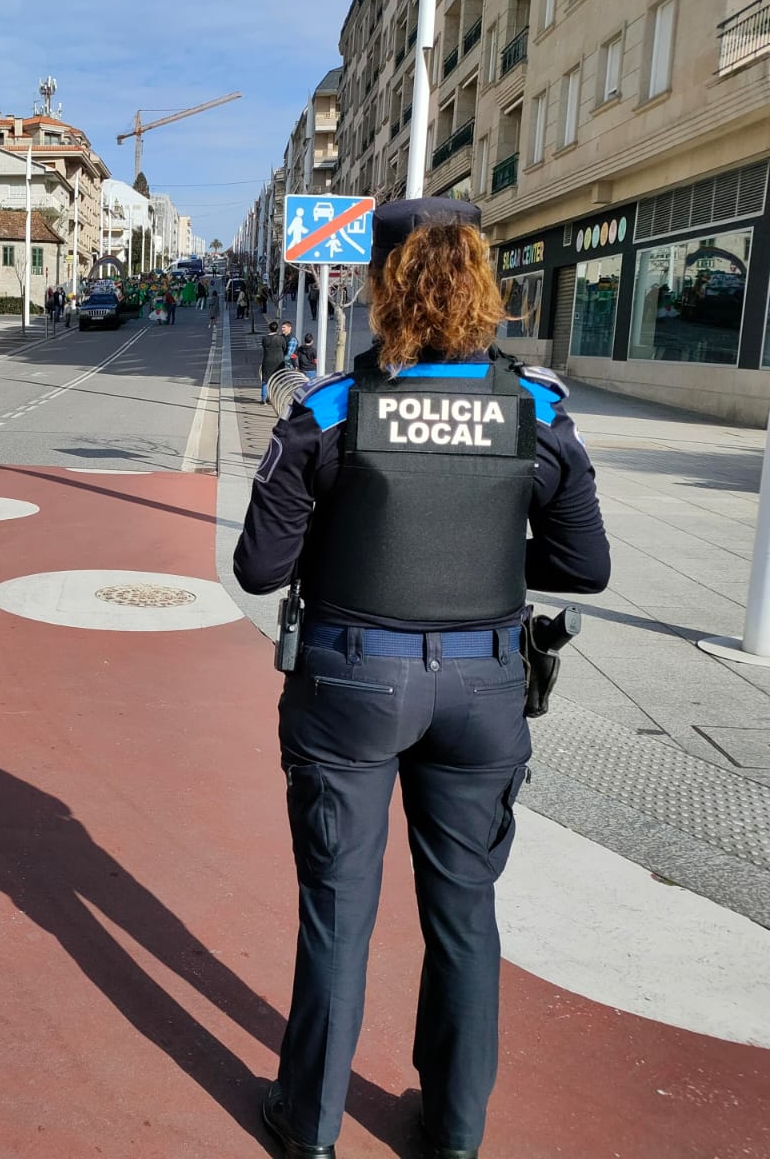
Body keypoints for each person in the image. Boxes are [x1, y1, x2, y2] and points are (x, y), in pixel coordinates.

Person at [234, 198, 610, 1159]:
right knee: (465, 914)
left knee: (339, 912)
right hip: (484, 689)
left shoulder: (328, 411)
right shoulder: (537, 411)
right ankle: (453, 1133)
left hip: (352, 685)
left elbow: (259, 568)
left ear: (377, 289)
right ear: (486, 285)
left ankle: (309, 1126)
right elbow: (582, 565)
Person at [259, 320, 284, 403]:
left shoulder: (265, 338)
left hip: (267, 360)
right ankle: (273, 397)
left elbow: (263, 347)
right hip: (278, 361)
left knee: (265, 379)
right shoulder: (281, 338)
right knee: (277, 379)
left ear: (269, 329)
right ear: (277, 329)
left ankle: (263, 397)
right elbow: (284, 348)